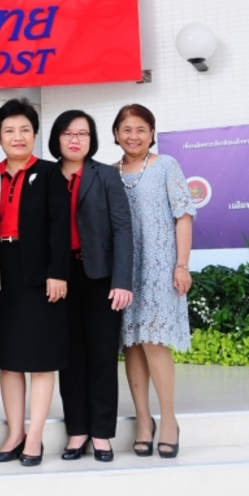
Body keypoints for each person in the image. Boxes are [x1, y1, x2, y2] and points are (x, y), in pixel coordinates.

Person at [0, 98, 70, 467]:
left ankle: (34, 436)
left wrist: (58, 272)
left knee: (40, 359)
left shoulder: (50, 173)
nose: (17, 136)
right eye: (9, 131)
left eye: (24, 130)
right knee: (8, 359)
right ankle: (14, 433)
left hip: (40, 272)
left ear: (35, 134)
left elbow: (60, 227)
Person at [49, 110, 133, 463]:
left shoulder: (107, 175)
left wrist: (122, 280)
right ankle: (77, 430)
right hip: (60, 277)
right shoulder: (46, 174)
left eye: (82, 134)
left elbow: (123, 228)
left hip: (100, 277)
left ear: (92, 139)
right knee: (69, 357)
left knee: (101, 354)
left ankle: (100, 432)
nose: (75, 140)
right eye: (68, 133)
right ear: (57, 137)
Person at [113, 104, 194, 459]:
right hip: (124, 272)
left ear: (152, 133)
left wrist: (182, 265)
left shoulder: (166, 166)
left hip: (161, 267)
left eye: (141, 129)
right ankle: (143, 421)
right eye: (127, 129)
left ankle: (169, 419)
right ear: (116, 134)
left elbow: (183, 216)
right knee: (132, 343)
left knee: (154, 341)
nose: (133, 136)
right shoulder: (109, 172)